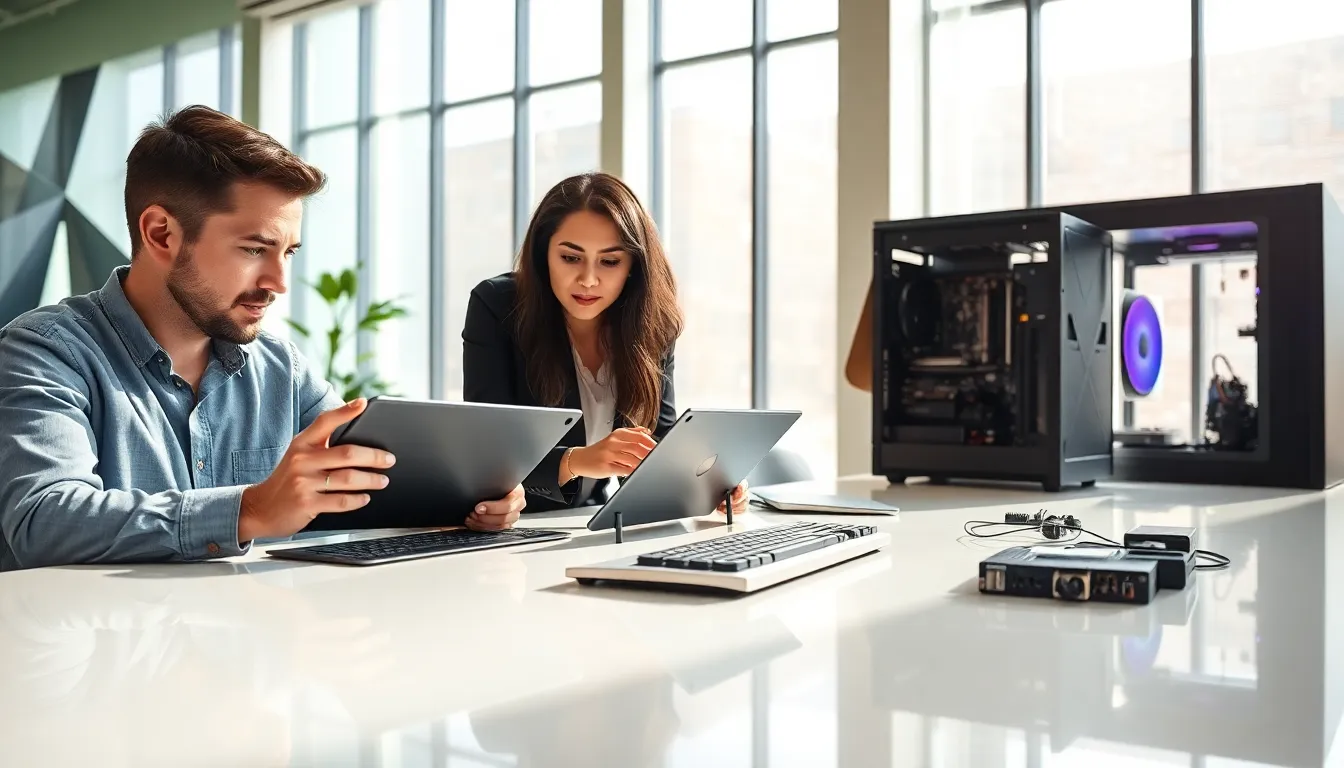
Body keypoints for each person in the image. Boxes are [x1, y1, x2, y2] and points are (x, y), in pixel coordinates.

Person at [0, 106, 524, 571]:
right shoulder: (43, 353)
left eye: (288, 252)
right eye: (254, 249)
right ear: (161, 233)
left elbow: (366, 484)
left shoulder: (281, 368)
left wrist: (471, 501)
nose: (278, 282)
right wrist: (249, 510)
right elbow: (44, 521)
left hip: (247, 656)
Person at [462, 172, 747, 512]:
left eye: (610, 261)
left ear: (632, 266)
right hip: (518, 526)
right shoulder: (496, 306)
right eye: (570, 257)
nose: (588, 279)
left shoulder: (654, 323)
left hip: (589, 521)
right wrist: (575, 461)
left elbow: (658, 441)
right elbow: (488, 452)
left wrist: (708, 481)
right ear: (543, 255)